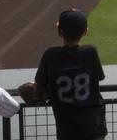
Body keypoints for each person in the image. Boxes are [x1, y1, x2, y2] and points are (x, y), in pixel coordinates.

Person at [33, 9, 107, 140]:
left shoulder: (50, 55)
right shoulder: (91, 52)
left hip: (66, 128)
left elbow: (40, 83)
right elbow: (99, 77)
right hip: (93, 125)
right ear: (85, 31)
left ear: (59, 32)